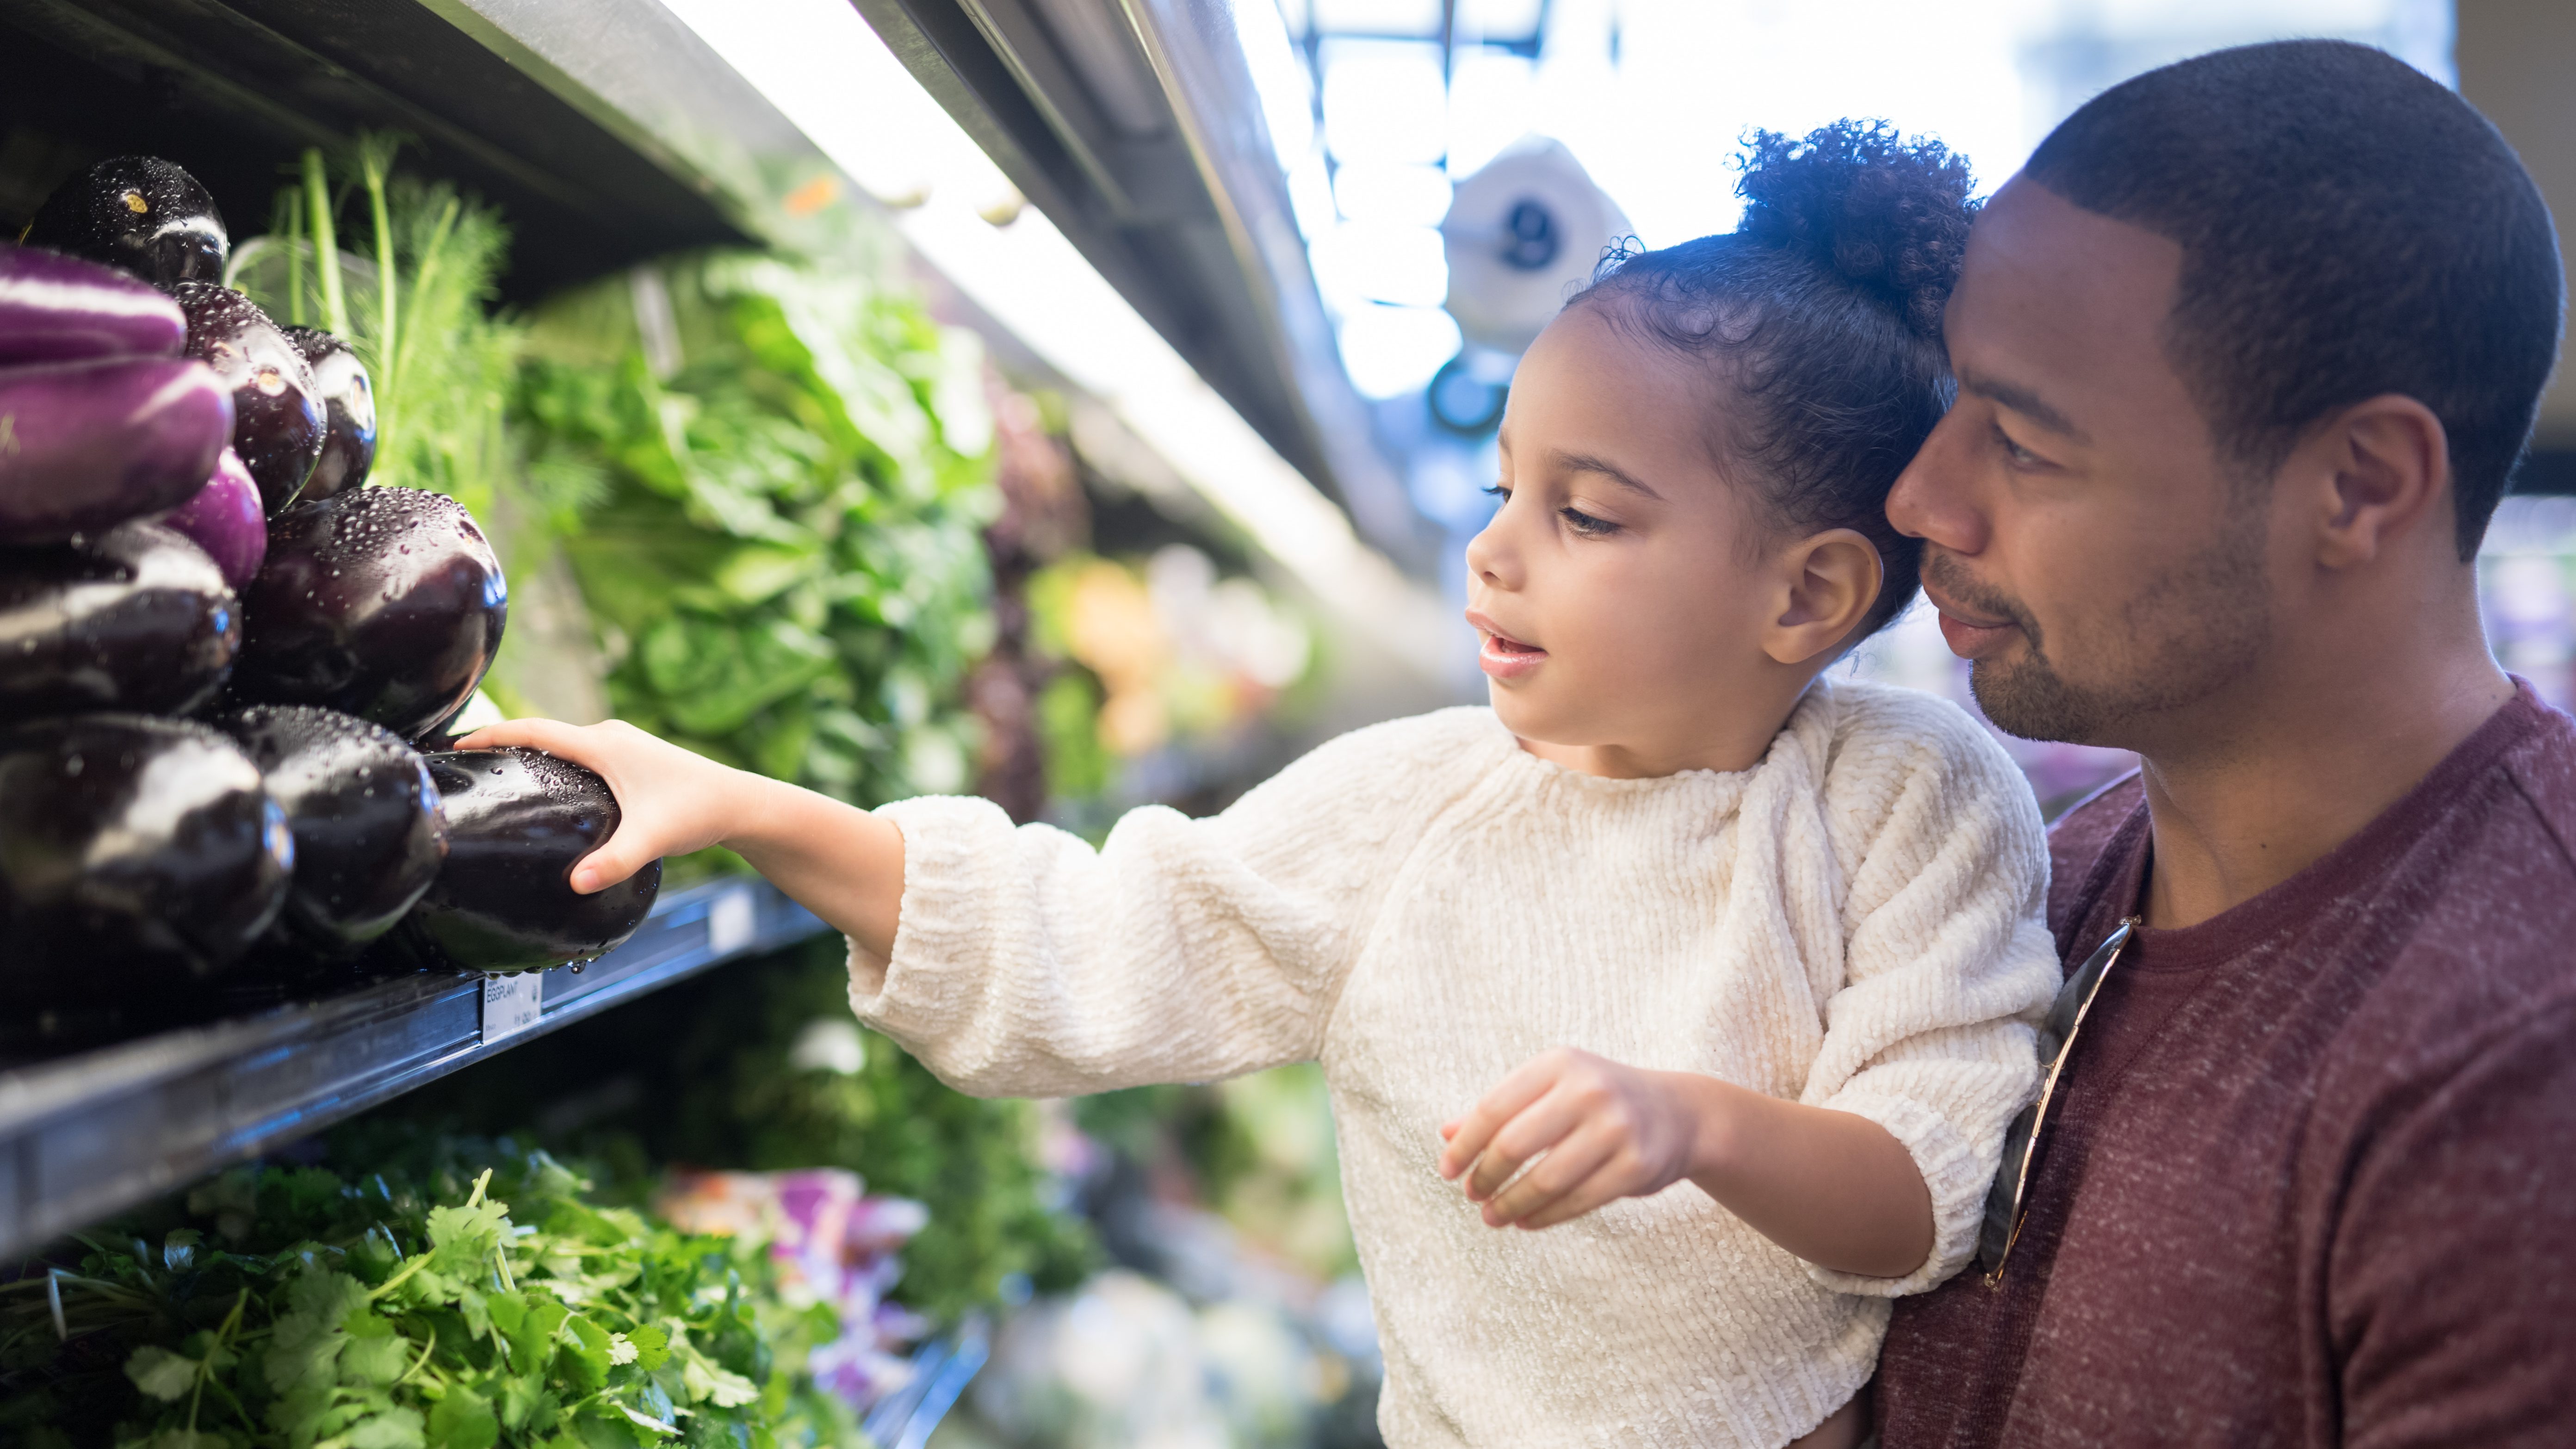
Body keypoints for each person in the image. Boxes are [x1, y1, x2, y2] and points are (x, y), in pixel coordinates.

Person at [463, 125, 2059, 1449]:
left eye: (1588, 514)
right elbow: (1077, 933)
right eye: (1506, 484)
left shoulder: (1911, 797)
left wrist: (1687, 1119)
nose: (1492, 548)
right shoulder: (1414, 805)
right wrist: (748, 802)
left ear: (1809, 595)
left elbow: (1930, 1190)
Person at [1868, 40, 2576, 1447]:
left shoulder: (2520, 1050)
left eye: (2023, 439)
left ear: (2358, 486)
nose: (1919, 496)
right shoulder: (2042, 882)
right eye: (1957, 400)